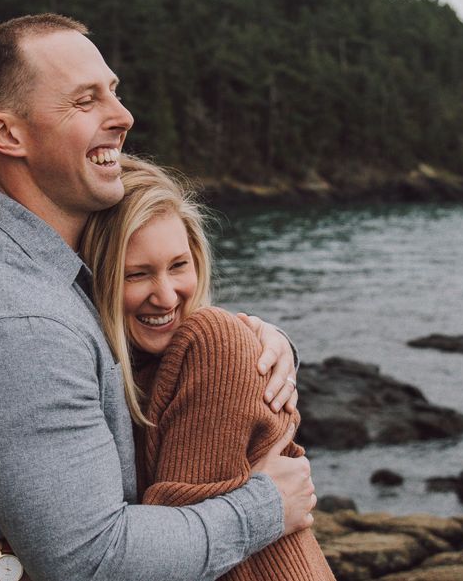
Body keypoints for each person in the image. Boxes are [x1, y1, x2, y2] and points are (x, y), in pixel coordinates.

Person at [0, 13, 314, 581]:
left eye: (114, 91)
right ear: (8, 134)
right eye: (85, 101)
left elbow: (156, 355)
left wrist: (258, 343)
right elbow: (92, 560)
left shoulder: (54, 268)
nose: (123, 116)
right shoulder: (19, 325)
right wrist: (267, 507)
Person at [81, 156, 335, 580]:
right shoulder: (110, 370)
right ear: (98, 279)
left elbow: (171, 551)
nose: (166, 296)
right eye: (137, 274)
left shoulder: (214, 342)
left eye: (179, 266)